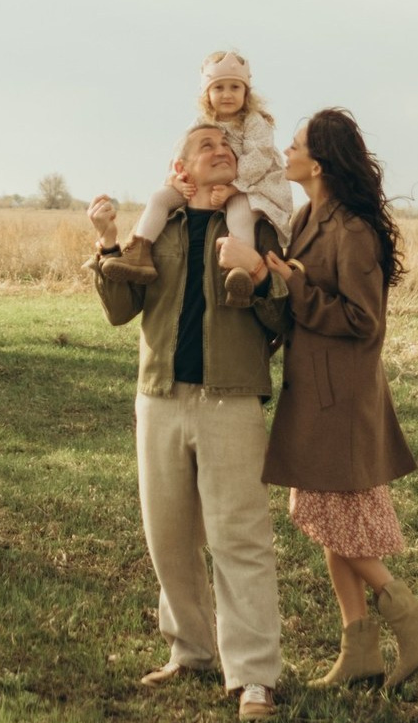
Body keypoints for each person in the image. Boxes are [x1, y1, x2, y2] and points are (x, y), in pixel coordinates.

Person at [219, 108, 418, 691]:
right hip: (314, 391)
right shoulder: (305, 216)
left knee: (328, 518)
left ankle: (405, 608)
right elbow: (298, 295)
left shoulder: (353, 231)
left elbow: (364, 321)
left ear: (317, 164)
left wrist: (293, 283)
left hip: (340, 399)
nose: (285, 153)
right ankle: (359, 651)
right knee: (330, 523)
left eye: (295, 146)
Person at [87, 124, 287, 721]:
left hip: (232, 399)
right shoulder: (159, 229)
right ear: (182, 167)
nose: (221, 152)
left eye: (228, 147)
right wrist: (106, 241)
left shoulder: (256, 227)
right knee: (168, 535)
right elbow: (120, 310)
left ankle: (254, 677)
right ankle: (191, 652)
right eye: (207, 146)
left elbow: (283, 318)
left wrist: (258, 273)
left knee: (239, 538)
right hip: (159, 398)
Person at [102, 51, 292, 305]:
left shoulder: (253, 121)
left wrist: (233, 188)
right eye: (219, 88)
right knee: (159, 198)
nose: (227, 94)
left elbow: (258, 158)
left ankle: (239, 271)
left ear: (246, 92)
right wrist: (177, 178)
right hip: (205, 182)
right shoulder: (200, 122)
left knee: (240, 215)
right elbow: (182, 153)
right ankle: (140, 251)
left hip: (250, 184)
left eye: (235, 87)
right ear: (206, 94)